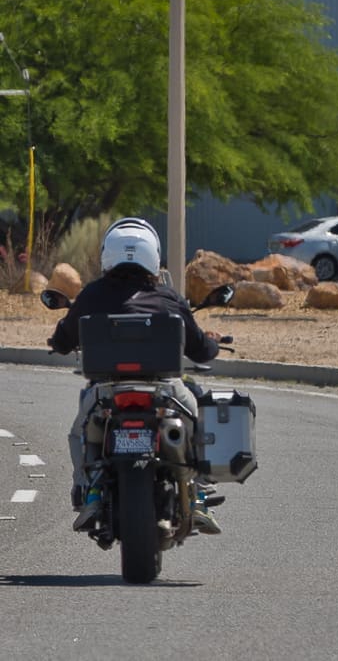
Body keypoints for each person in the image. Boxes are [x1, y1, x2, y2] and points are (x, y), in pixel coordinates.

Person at [47, 217, 225, 535]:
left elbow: (62, 340)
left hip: (106, 389)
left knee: (79, 432)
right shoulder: (169, 298)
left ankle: (89, 492)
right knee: (197, 415)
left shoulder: (91, 295)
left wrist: (59, 340)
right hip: (165, 389)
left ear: (108, 254)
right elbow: (200, 349)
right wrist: (213, 343)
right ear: (152, 255)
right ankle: (197, 495)